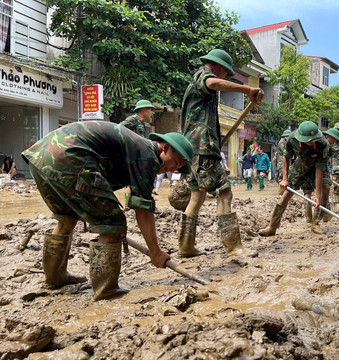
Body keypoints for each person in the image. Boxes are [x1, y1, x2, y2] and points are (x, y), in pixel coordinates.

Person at [21, 121, 193, 301]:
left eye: (178, 169)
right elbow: (143, 210)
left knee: (67, 218)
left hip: (40, 157)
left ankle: (55, 278)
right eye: (177, 162)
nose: (174, 169)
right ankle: (106, 290)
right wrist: (156, 252)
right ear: (165, 148)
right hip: (69, 157)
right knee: (111, 223)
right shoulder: (148, 156)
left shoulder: (138, 149)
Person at [180, 48, 262, 258]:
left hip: (192, 149)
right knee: (225, 192)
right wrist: (247, 90)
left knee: (197, 196)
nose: (225, 76)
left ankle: (186, 246)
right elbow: (213, 83)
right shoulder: (203, 76)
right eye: (225, 72)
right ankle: (233, 247)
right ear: (217, 67)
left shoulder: (196, 86)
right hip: (203, 148)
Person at [259, 121, 339, 236]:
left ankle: (315, 223)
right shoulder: (292, 139)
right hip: (300, 165)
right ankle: (272, 226)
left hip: (317, 167)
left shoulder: (323, 144)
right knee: (286, 194)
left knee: (325, 188)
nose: (310, 143)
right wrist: (285, 178)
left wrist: (317, 196)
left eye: (312, 140)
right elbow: (286, 157)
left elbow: (319, 170)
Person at [273, 129, 291, 195]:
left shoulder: (284, 142)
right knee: (280, 176)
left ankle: (284, 190)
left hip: (283, 161)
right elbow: (285, 152)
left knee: (282, 176)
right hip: (281, 162)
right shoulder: (282, 142)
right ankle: (282, 192)